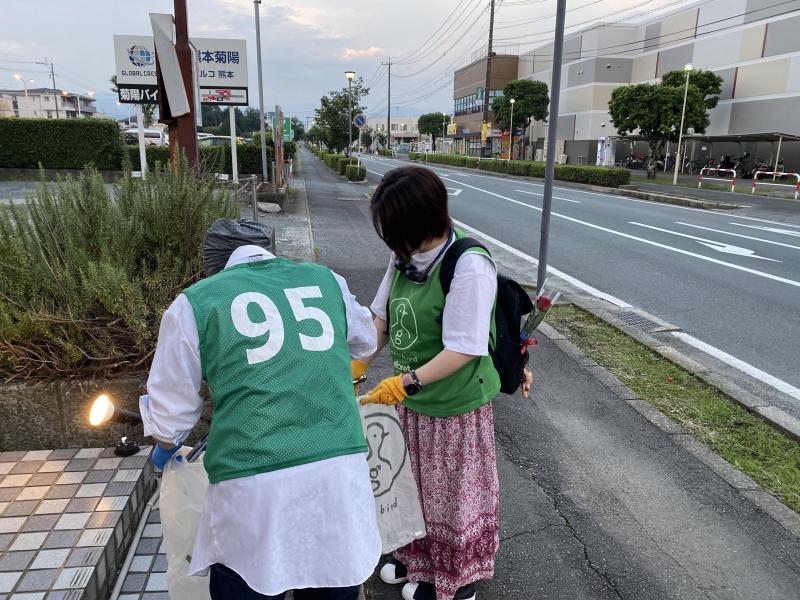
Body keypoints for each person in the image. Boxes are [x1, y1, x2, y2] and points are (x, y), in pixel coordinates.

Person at [140, 219, 381, 600]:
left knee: (247, 580)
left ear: (214, 265)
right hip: (336, 470)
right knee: (331, 576)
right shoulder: (326, 281)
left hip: (252, 481)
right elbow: (365, 342)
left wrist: (164, 448)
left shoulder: (195, 303)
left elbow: (171, 417)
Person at [359, 166, 524, 600]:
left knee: (451, 495)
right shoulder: (405, 255)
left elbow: (464, 349)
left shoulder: (468, 264)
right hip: (414, 403)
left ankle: (458, 580)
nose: (393, 244)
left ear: (422, 222)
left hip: (454, 405)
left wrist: (403, 383)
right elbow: (382, 318)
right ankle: (417, 556)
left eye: (398, 232)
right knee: (413, 485)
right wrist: (356, 363)